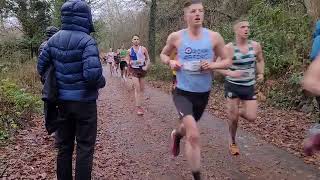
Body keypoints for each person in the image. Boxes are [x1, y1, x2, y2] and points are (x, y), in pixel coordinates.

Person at [160, 1, 232, 179]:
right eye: (193, 11)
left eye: (201, 10)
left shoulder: (214, 37)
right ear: (186, 16)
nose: (198, 14)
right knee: (193, 135)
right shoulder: (176, 37)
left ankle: (177, 135)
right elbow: (163, 54)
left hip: (203, 93)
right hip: (181, 91)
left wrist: (213, 65)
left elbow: (227, 60)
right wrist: (171, 62)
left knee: (185, 127)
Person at [37, 0, 106, 179]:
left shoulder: (52, 40)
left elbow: (41, 68)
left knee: (64, 147)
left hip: (61, 103)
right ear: (85, 17)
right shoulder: (87, 41)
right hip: (85, 104)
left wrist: (55, 79)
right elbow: (92, 76)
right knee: (85, 147)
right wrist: (102, 81)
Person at [216, 19, 265, 155]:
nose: (246, 29)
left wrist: (261, 73)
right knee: (233, 119)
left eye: (248, 27)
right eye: (243, 27)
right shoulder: (228, 48)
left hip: (249, 86)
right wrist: (230, 72)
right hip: (233, 85)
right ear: (236, 30)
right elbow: (217, 66)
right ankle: (232, 141)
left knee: (252, 116)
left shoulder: (255, 46)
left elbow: (260, 60)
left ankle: (235, 112)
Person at [38, 26, 59, 147]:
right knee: (58, 104)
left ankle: (54, 130)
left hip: (46, 80)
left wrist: (43, 77)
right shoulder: (54, 45)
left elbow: (40, 65)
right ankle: (58, 132)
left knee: (50, 104)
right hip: (54, 79)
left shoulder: (42, 45)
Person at [127, 35, 151, 115]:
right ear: (132, 40)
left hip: (142, 70)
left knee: (142, 89)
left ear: (139, 41)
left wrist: (146, 66)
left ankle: (139, 103)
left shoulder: (143, 49)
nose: (136, 40)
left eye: (137, 39)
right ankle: (138, 108)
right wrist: (129, 62)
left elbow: (148, 59)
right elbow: (127, 60)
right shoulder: (129, 50)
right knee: (137, 89)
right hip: (134, 70)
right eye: (134, 39)